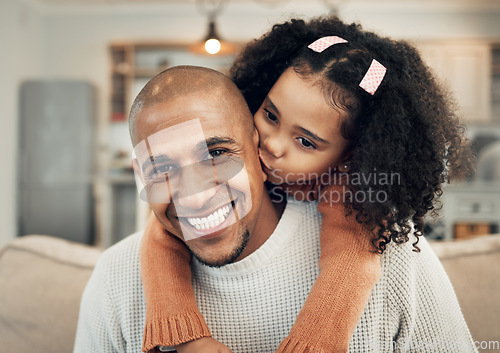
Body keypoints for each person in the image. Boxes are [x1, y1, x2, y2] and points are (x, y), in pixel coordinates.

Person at [74, 65, 477, 353]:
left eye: (216, 153)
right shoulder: (116, 279)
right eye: (161, 168)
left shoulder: (388, 247)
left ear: (255, 147)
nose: (194, 196)